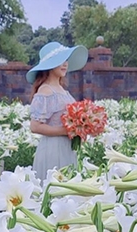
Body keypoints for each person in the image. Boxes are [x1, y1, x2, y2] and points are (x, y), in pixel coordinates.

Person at [26, 41, 88, 181]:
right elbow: (35, 126)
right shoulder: (46, 90)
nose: (65, 64)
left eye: (66, 60)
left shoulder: (62, 90)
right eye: (60, 60)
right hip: (53, 149)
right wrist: (66, 131)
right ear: (50, 64)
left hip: (67, 147)